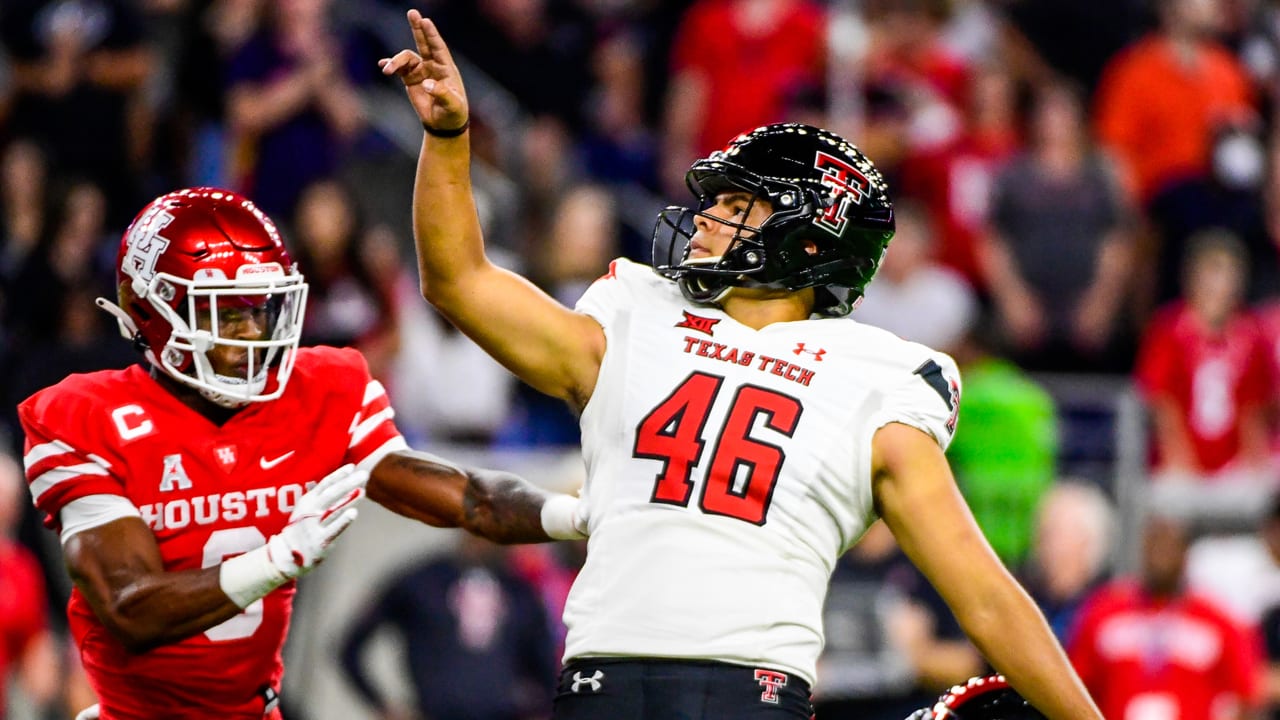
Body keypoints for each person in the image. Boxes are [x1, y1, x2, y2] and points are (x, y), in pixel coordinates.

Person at [380, 11, 1103, 720]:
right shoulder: (641, 310)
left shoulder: (875, 377)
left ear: (810, 242)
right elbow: (459, 282)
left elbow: (984, 594)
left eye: (737, 203)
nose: (704, 218)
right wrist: (448, 137)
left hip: (743, 693)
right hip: (598, 685)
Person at [16, 187, 587, 720]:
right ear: (155, 311)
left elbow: (469, 500)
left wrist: (575, 514)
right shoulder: (84, 417)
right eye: (226, 313)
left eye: (260, 309)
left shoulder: (319, 388)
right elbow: (129, 608)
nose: (251, 334)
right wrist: (278, 559)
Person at [338, 531, 558, 720]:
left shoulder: (520, 592)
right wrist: (384, 707)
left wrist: (540, 711)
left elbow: (545, 665)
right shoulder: (423, 581)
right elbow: (351, 649)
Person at [1068, 513, 1264, 720]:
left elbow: (1246, 693)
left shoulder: (1218, 621)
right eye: (1155, 545)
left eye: (1170, 546)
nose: (1161, 555)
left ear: (1185, 553)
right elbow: (1077, 685)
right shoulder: (1103, 612)